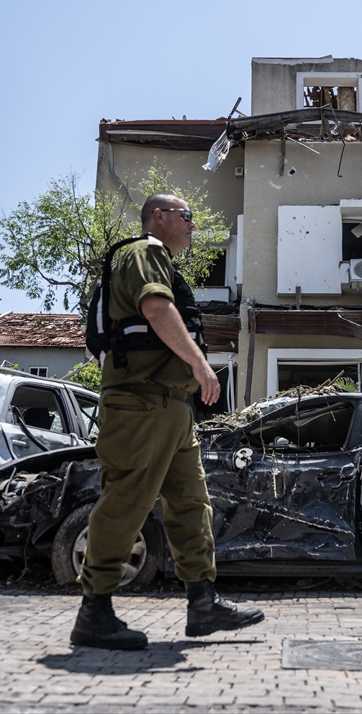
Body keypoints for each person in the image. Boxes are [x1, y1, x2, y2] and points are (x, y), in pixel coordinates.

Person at [70, 193, 265, 650]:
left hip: (172, 407)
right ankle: (93, 610)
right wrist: (201, 365)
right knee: (127, 503)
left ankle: (203, 603)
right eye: (187, 216)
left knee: (191, 505)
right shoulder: (144, 252)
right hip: (141, 404)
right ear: (158, 217)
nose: (193, 225)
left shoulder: (164, 262)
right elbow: (156, 308)